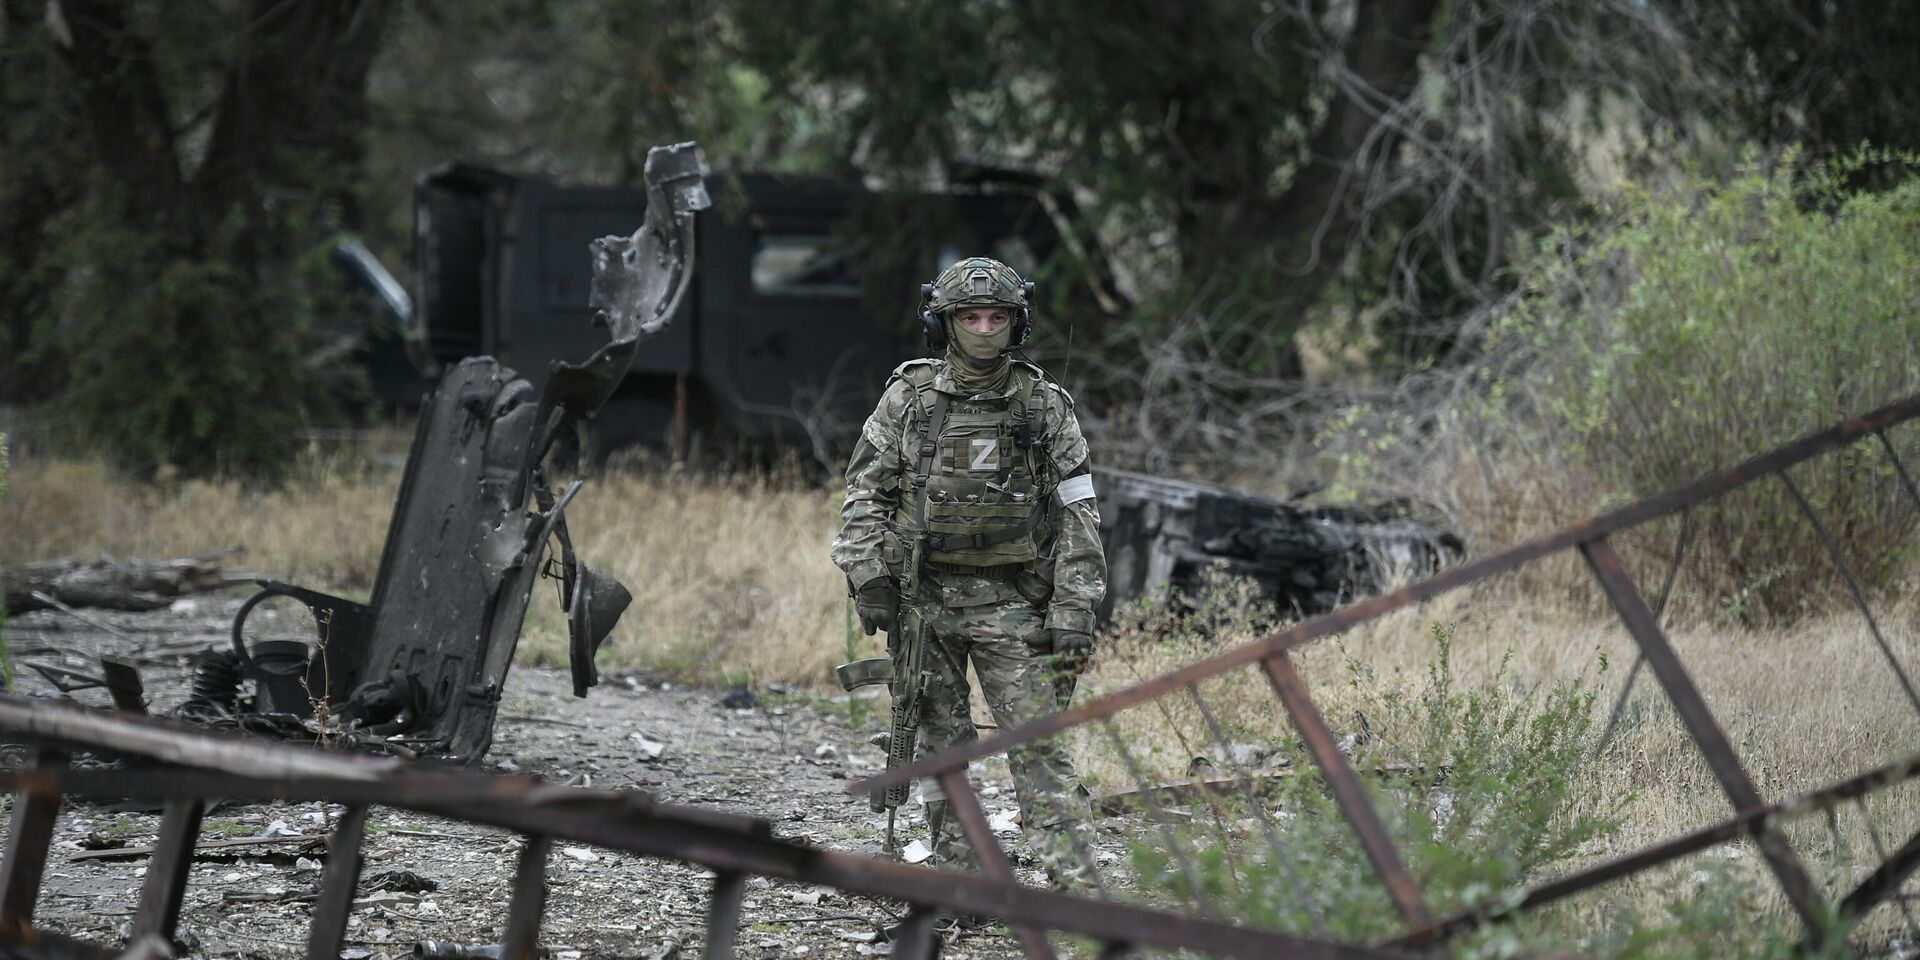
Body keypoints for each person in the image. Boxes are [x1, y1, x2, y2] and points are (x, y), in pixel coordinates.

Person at [831, 256, 1107, 870]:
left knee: (1038, 745)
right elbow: (864, 495)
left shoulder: (1045, 406)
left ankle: (1072, 876)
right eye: (972, 317)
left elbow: (1077, 513)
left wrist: (1074, 604)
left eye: (998, 317)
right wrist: (868, 575)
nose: (985, 329)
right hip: (923, 602)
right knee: (939, 748)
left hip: (1015, 602)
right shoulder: (909, 398)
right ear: (946, 324)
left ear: (1018, 323)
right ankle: (962, 873)